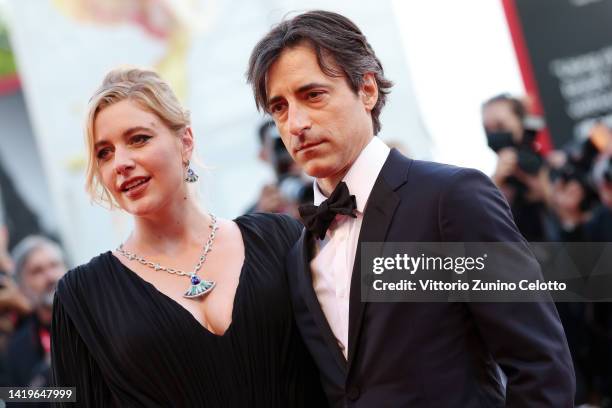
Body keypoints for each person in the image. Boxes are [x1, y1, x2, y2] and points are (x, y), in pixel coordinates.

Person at [247, 10, 575, 407]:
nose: (295, 123)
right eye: (279, 107)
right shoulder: (299, 252)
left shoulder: (451, 198)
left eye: (312, 95)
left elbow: (541, 366)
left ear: (366, 90)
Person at [50, 67, 325, 406]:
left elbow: (351, 357)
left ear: (185, 142)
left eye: (138, 139)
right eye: (104, 152)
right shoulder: (82, 297)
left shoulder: (280, 238)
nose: (120, 162)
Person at [5, 235, 64, 390]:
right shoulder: (16, 350)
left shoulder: (95, 317)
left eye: (55, 265)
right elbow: (14, 399)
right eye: (37, 271)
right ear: (22, 287)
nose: (51, 277)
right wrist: (46, 374)